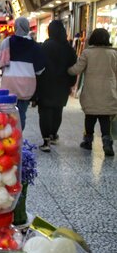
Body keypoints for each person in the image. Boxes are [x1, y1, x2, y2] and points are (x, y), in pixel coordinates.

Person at [68, 28, 117, 156]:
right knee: (105, 118)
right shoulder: (113, 54)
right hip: (108, 91)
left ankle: (88, 141)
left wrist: (67, 70)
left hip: (91, 91)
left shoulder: (87, 53)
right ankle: (107, 143)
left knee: (90, 116)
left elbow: (77, 69)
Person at [35, 20, 77, 152]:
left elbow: (38, 66)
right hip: (62, 85)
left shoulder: (44, 47)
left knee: (45, 112)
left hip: (45, 85)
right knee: (57, 111)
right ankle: (53, 135)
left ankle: (46, 140)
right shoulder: (69, 48)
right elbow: (73, 67)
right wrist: (71, 83)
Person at [0, 17, 45, 131]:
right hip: (26, 86)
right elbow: (40, 69)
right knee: (21, 114)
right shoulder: (35, 46)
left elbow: (1, 62)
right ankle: (18, 136)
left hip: (9, 84)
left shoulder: (6, 42)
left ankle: (8, 136)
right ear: (27, 27)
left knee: (8, 113)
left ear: (15, 27)